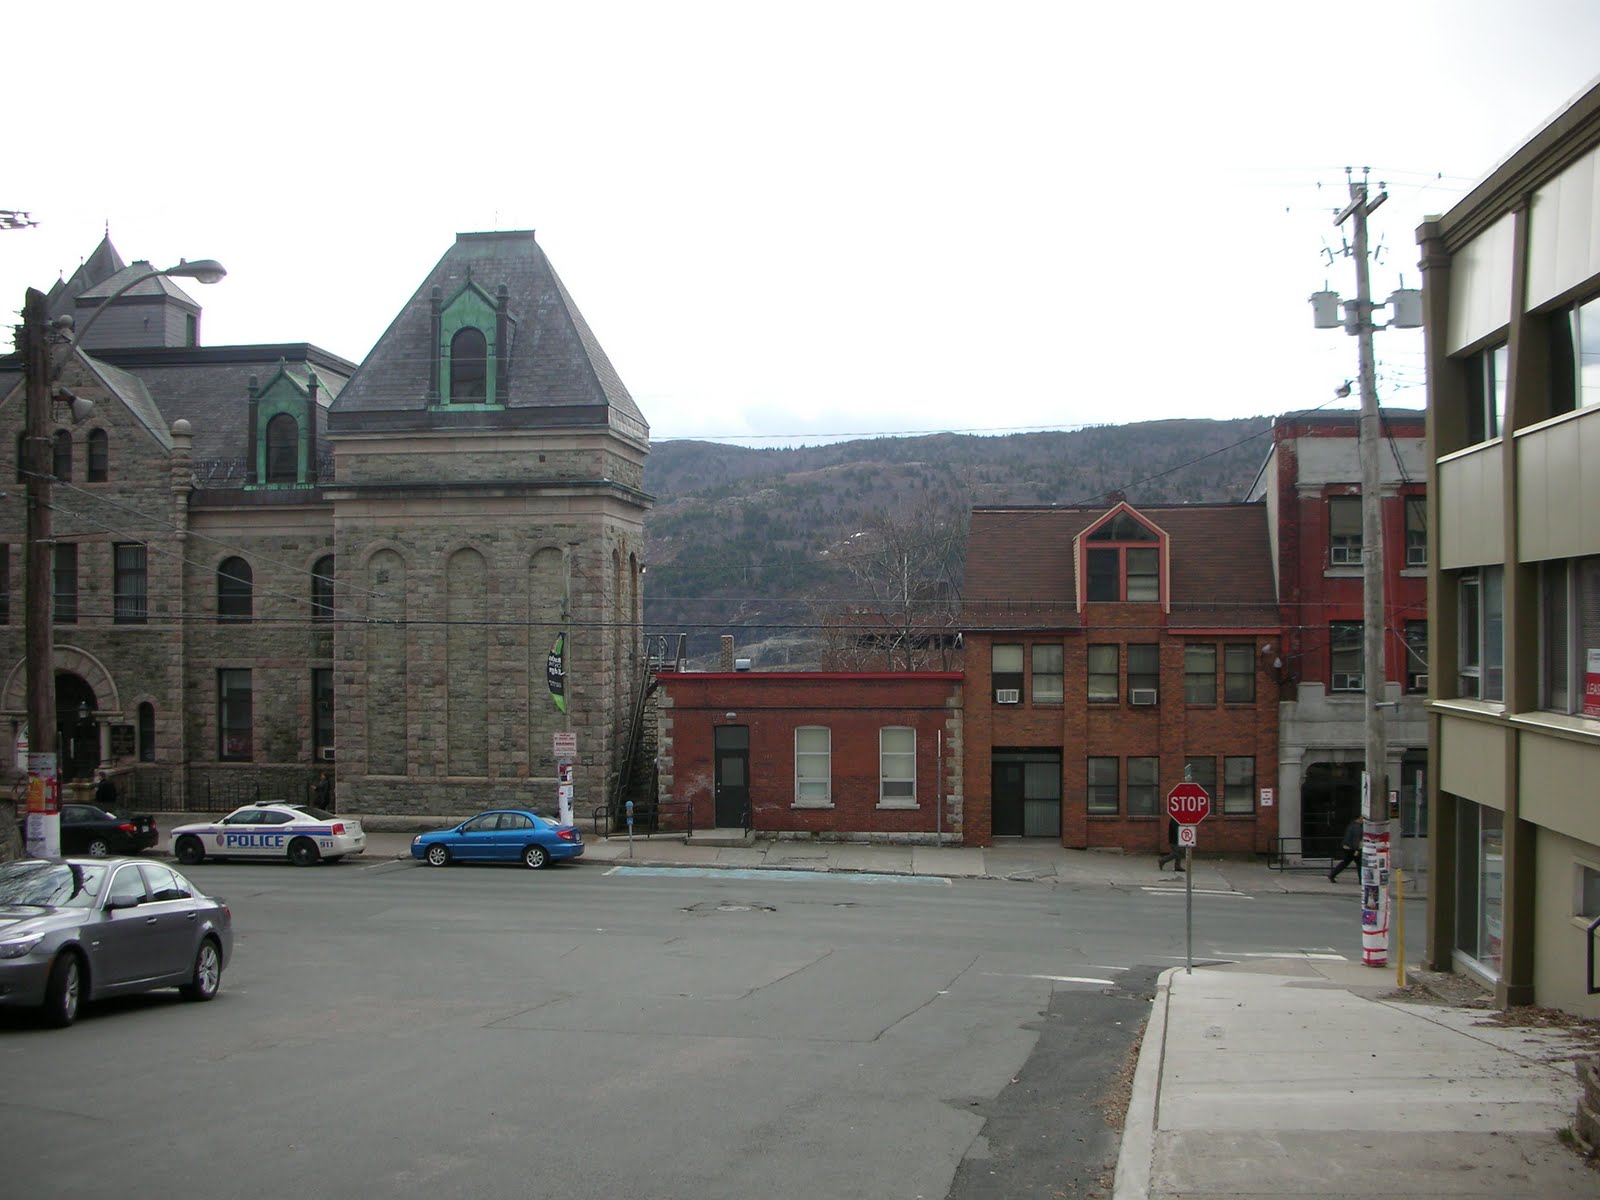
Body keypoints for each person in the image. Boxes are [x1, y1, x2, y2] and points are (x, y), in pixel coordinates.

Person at [1329, 817, 1362, 881]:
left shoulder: (1351, 825)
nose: (1362, 820)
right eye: (1361, 819)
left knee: (1346, 862)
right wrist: (1356, 849)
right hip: (1352, 848)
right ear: (1358, 819)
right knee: (1359, 863)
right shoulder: (1357, 828)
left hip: (1347, 847)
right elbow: (1356, 839)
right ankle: (1362, 880)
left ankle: (1332, 874)